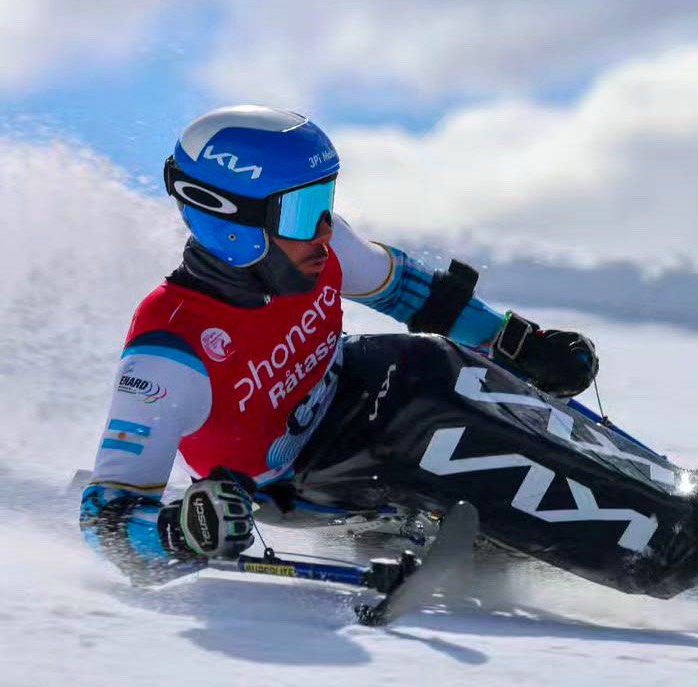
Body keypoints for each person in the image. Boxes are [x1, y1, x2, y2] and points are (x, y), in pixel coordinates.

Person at [79, 105, 601, 577]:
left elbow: (413, 294)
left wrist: (518, 343)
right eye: (304, 210)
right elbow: (104, 512)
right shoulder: (168, 346)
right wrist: (178, 530)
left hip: (353, 395)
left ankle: (619, 486)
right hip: (290, 481)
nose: (325, 228)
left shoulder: (315, 249)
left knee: (433, 365)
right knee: (422, 411)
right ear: (233, 222)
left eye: (324, 201)